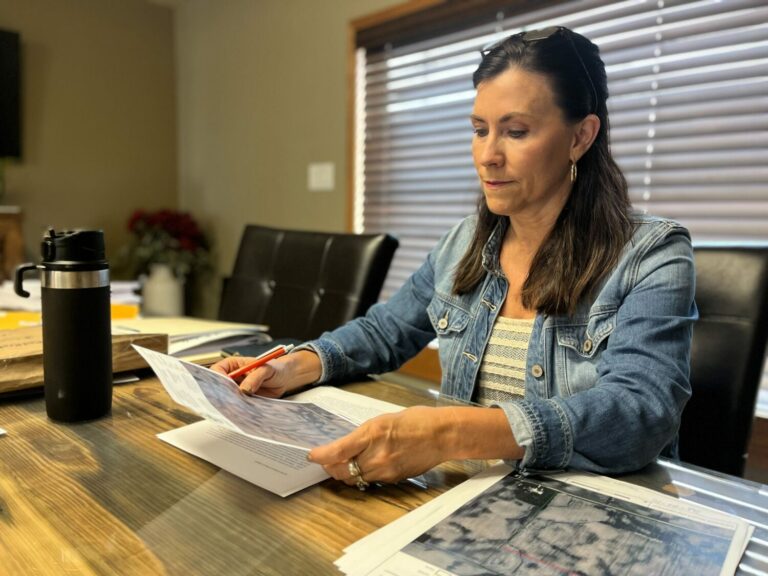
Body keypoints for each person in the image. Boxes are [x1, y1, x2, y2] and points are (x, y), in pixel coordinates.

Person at [211, 26, 696, 489]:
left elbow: (640, 412)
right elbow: (383, 332)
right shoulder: (462, 242)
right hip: (470, 492)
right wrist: (291, 366)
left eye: (517, 131)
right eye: (480, 129)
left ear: (580, 137)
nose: (487, 155)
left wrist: (447, 433)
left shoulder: (652, 254)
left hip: (594, 509)